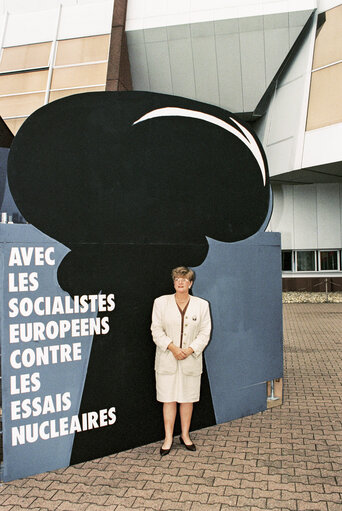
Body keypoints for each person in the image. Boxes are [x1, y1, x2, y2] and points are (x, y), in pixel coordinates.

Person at [151, 266, 211, 456]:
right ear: (174, 282)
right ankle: (168, 437)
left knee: (187, 399)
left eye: (184, 279)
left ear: (190, 283)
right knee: (168, 399)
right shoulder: (160, 303)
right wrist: (173, 348)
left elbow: (204, 333)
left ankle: (185, 435)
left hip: (190, 360)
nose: (180, 282)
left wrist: (189, 350)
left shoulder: (202, 305)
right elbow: (156, 330)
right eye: (177, 279)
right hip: (167, 359)